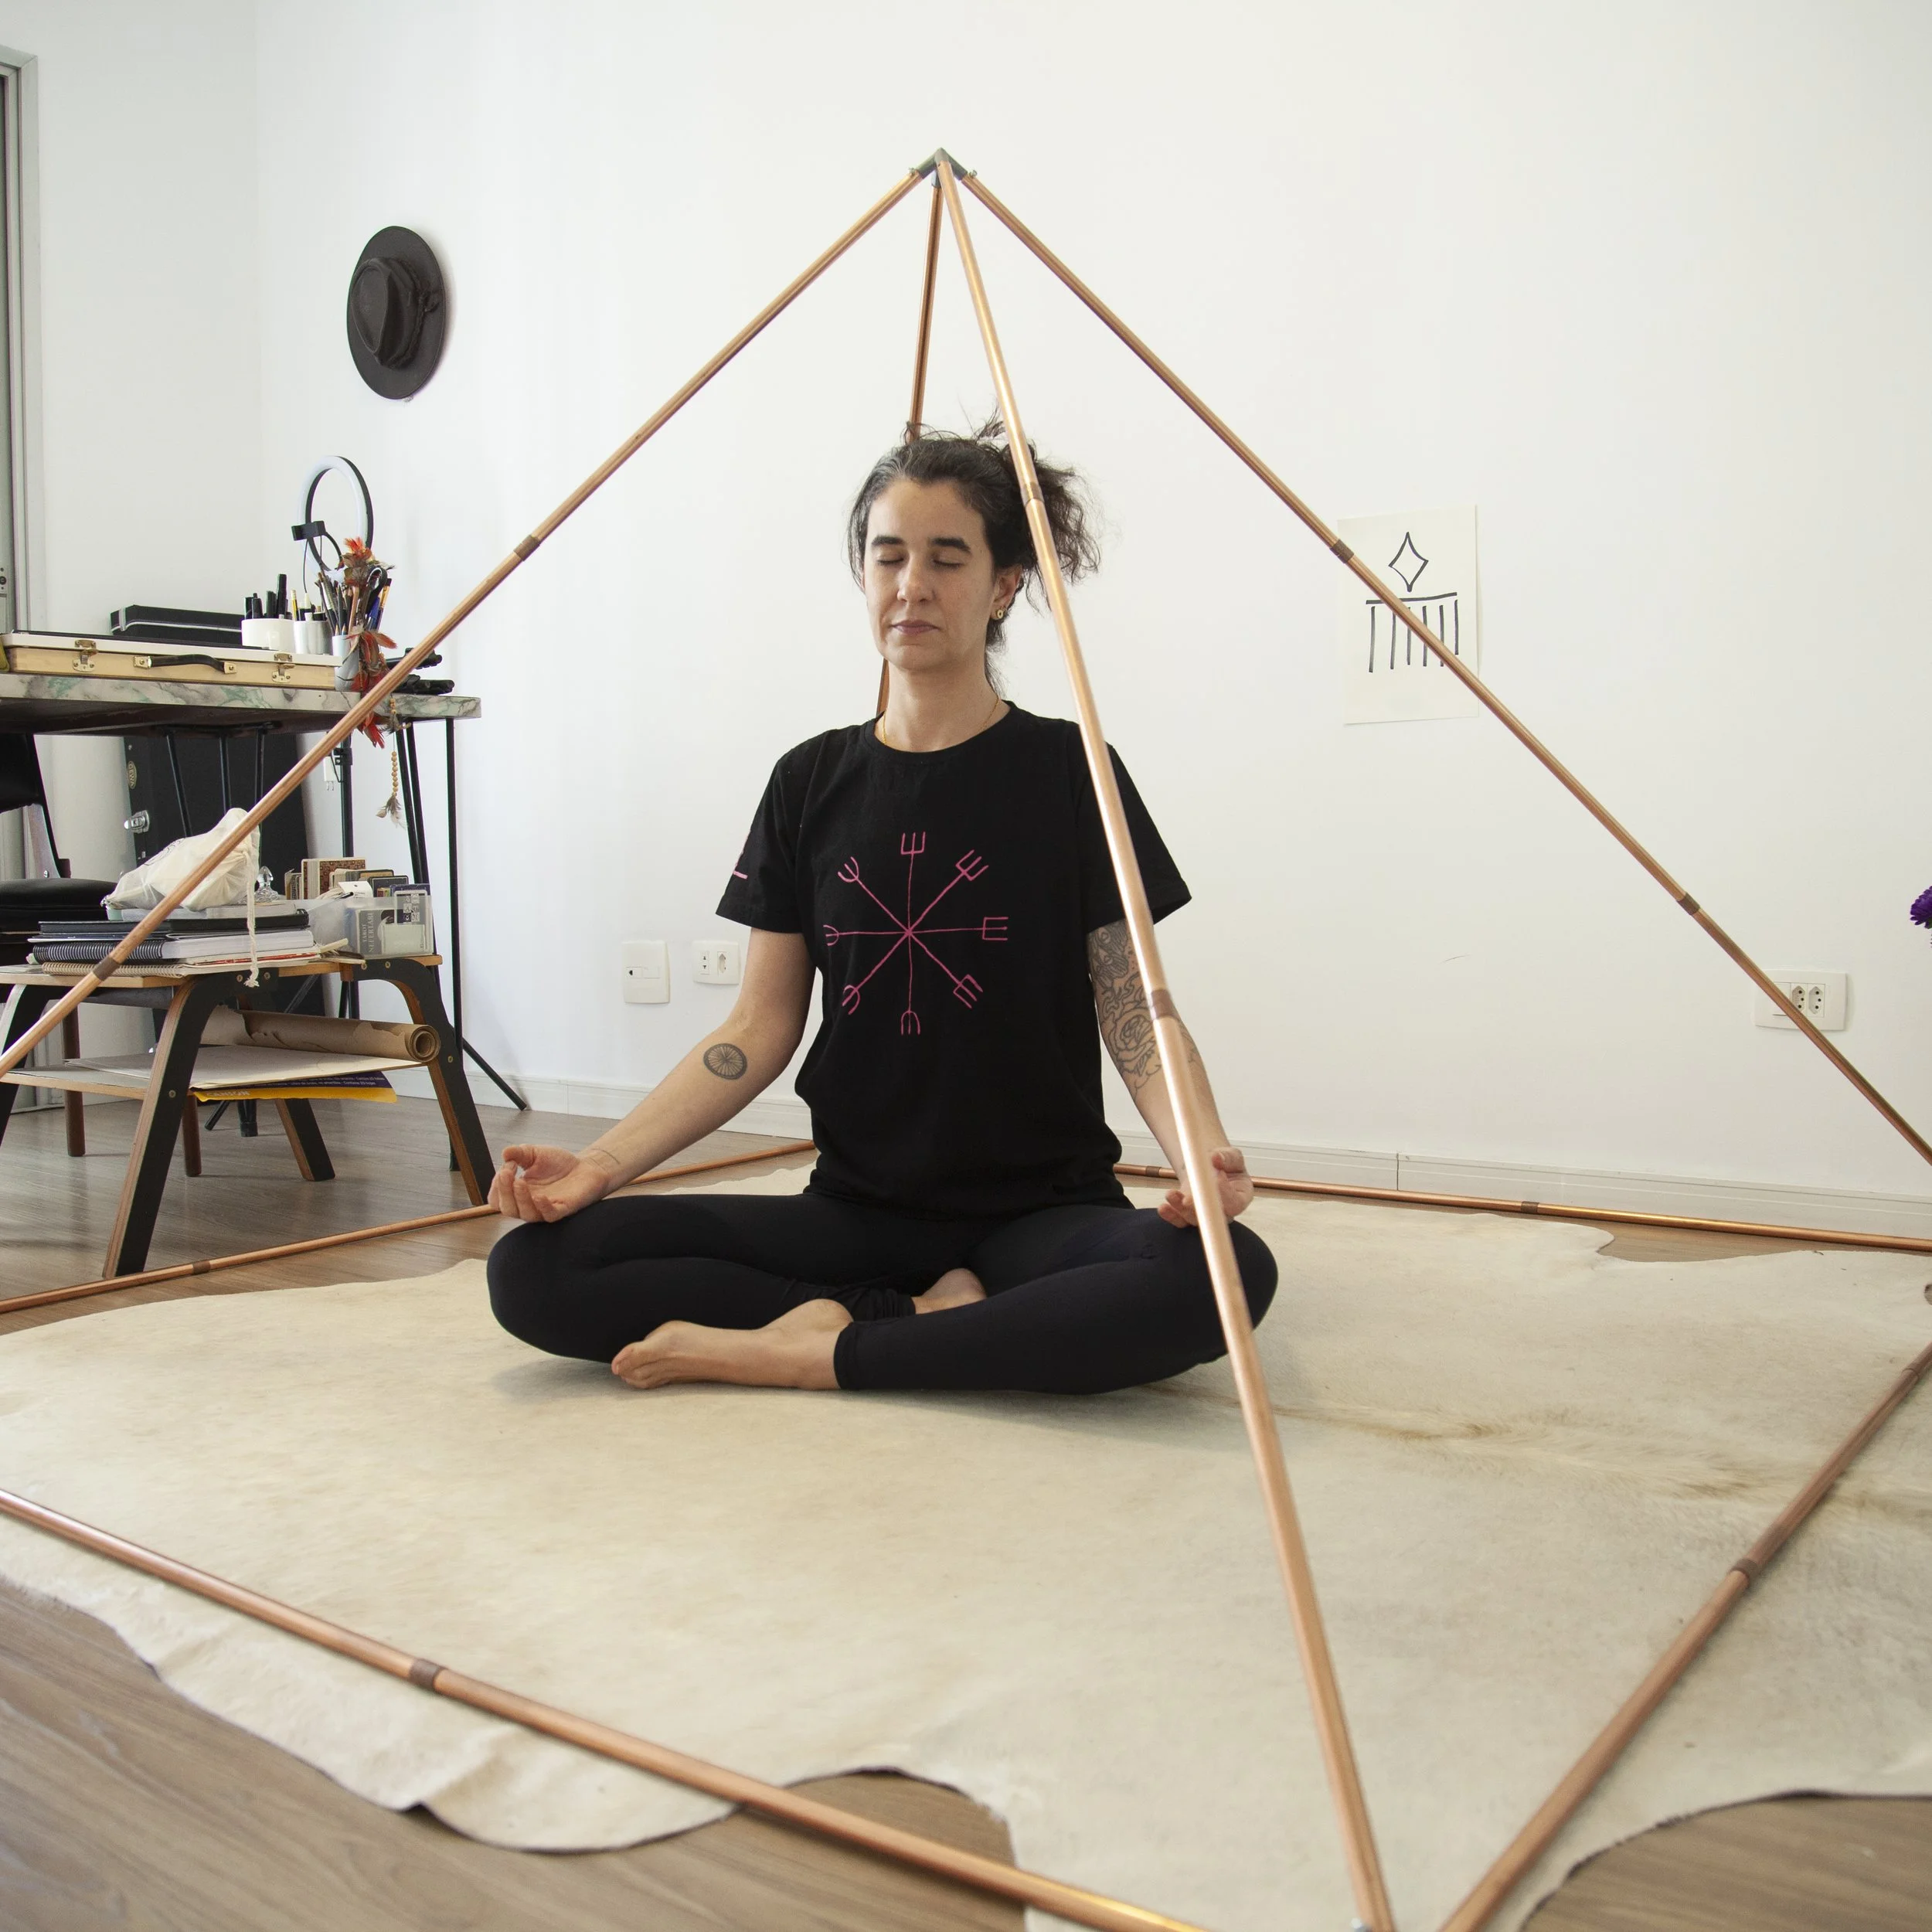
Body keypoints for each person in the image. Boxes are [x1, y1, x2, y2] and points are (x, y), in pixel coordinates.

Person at [486, 423, 1276, 1395]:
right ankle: (916, 1322)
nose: (912, 585)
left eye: (948, 558)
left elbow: (1134, 1012)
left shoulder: (1074, 775)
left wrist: (1199, 1159)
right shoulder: (808, 780)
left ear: (1002, 587)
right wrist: (600, 1166)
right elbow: (755, 1029)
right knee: (534, 1268)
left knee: (1225, 1276)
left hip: (1042, 1212)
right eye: (887, 555)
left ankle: (818, 1351)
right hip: (856, 1210)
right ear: (862, 577)